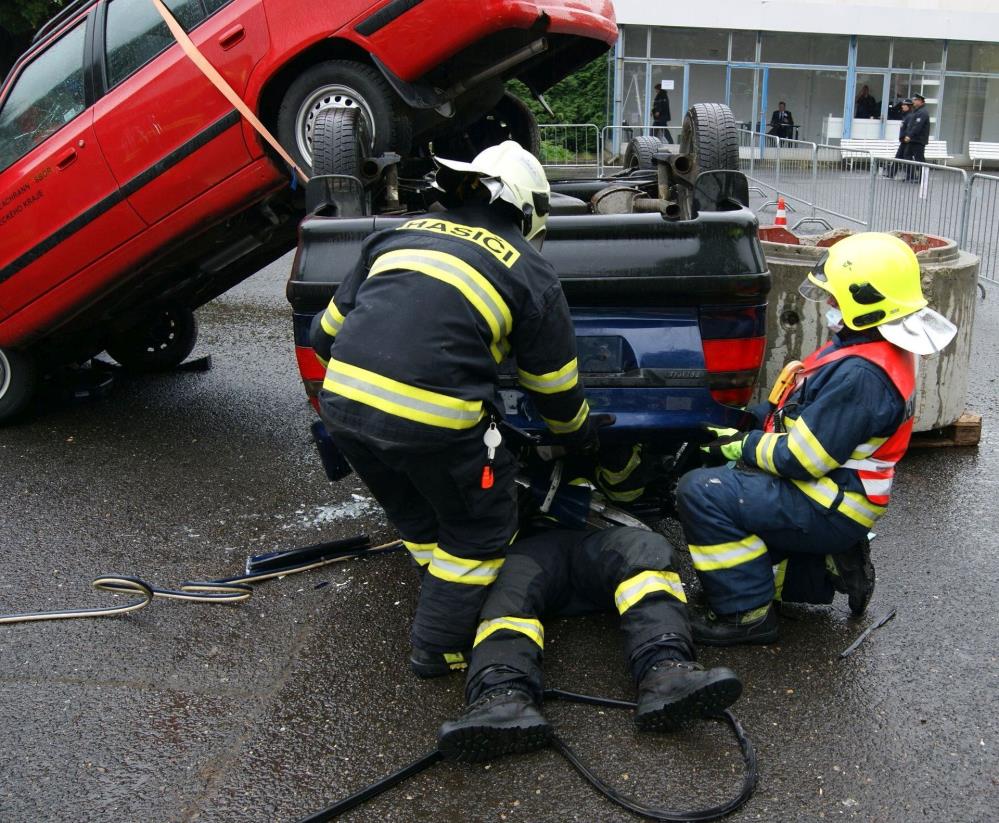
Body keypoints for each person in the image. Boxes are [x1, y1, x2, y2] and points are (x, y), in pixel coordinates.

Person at [310, 141, 598, 676]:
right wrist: (581, 438)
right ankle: (437, 646)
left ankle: (440, 583)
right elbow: (553, 389)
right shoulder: (532, 273)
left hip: (344, 410)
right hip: (433, 425)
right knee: (482, 525)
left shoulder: (395, 236)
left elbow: (323, 335)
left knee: (413, 507)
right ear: (532, 207)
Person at [675, 233, 957, 646]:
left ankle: (745, 614)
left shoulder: (862, 376)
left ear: (867, 303)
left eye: (836, 299)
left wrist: (738, 444)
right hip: (834, 492)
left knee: (703, 492)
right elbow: (805, 416)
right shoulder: (869, 347)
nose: (828, 306)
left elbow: (802, 458)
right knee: (731, 476)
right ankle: (817, 564)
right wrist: (745, 422)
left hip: (830, 503)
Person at [437, 523, 742, 761]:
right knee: (508, 591)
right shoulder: (487, 443)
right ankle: (502, 697)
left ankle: (666, 670)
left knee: (648, 550)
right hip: (529, 545)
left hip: (600, 538)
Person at [903, 94, 930, 181]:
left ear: (920, 101)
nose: (913, 101)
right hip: (913, 140)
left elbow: (917, 126)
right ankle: (910, 176)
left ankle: (922, 178)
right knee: (907, 155)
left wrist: (909, 136)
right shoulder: (917, 111)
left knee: (919, 159)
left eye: (915, 100)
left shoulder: (922, 112)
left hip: (918, 140)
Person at [883, 99, 912, 178]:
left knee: (907, 158)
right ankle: (892, 173)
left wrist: (907, 137)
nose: (902, 106)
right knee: (898, 157)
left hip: (907, 141)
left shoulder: (910, 116)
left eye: (904, 105)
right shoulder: (905, 115)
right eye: (902, 104)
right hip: (903, 141)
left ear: (908, 106)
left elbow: (910, 129)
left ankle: (911, 175)